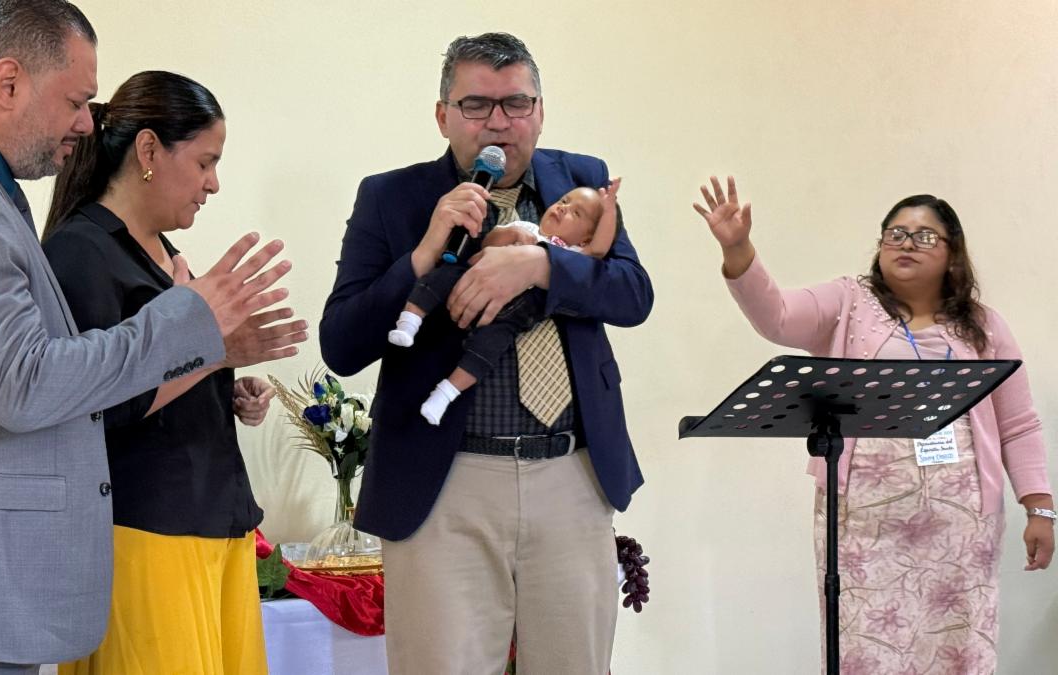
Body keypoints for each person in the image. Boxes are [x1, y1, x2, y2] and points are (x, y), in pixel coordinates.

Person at [0, 2, 298, 672]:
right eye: (75, 101)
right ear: (8, 82)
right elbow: (24, 383)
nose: (89, 124)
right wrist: (191, 320)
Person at [321, 32, 652, 674]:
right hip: (445, 484)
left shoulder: (583, 182)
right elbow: (342, 343)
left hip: (572, 475)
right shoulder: (391, 197)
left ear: (540, 111)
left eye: (516, 103)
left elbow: (632, 294)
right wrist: (425, 252)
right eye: (476, 105)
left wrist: (540, 267)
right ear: (442, 115)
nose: (498, 121)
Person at [693, 176, 1054, 673]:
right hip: (862, 521)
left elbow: (1019, 424)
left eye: (924, 236)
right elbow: (776, 316)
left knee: (957, 647)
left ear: (953, 254)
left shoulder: (985, 325)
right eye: (895, 233)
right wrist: (738, 249)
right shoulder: (849, 301)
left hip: (961, 524)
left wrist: (1040, 508)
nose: (906, 244)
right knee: (864, 647)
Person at [41, 70, 305, 675]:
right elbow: (97, 405)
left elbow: (167, 375)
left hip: (216, 522)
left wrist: (226, 381)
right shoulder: (80, 253)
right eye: (206, 162)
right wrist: (214, 353)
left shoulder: (164, 255)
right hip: (147, 533)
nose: (213, 183)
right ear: (149, 151)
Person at [388, 180, 621, 425]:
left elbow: (599, 249)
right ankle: (409, 322)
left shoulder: (573, 255)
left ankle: (445, 394)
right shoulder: (527, 228)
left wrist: (609, 211)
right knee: (442, 276)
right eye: (564, 201)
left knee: (488, 348)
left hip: (513, 313)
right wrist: (511, 234)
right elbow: (488, 242)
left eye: (577, 213)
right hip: (472, 283)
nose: (563, 207)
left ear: (584, 240)